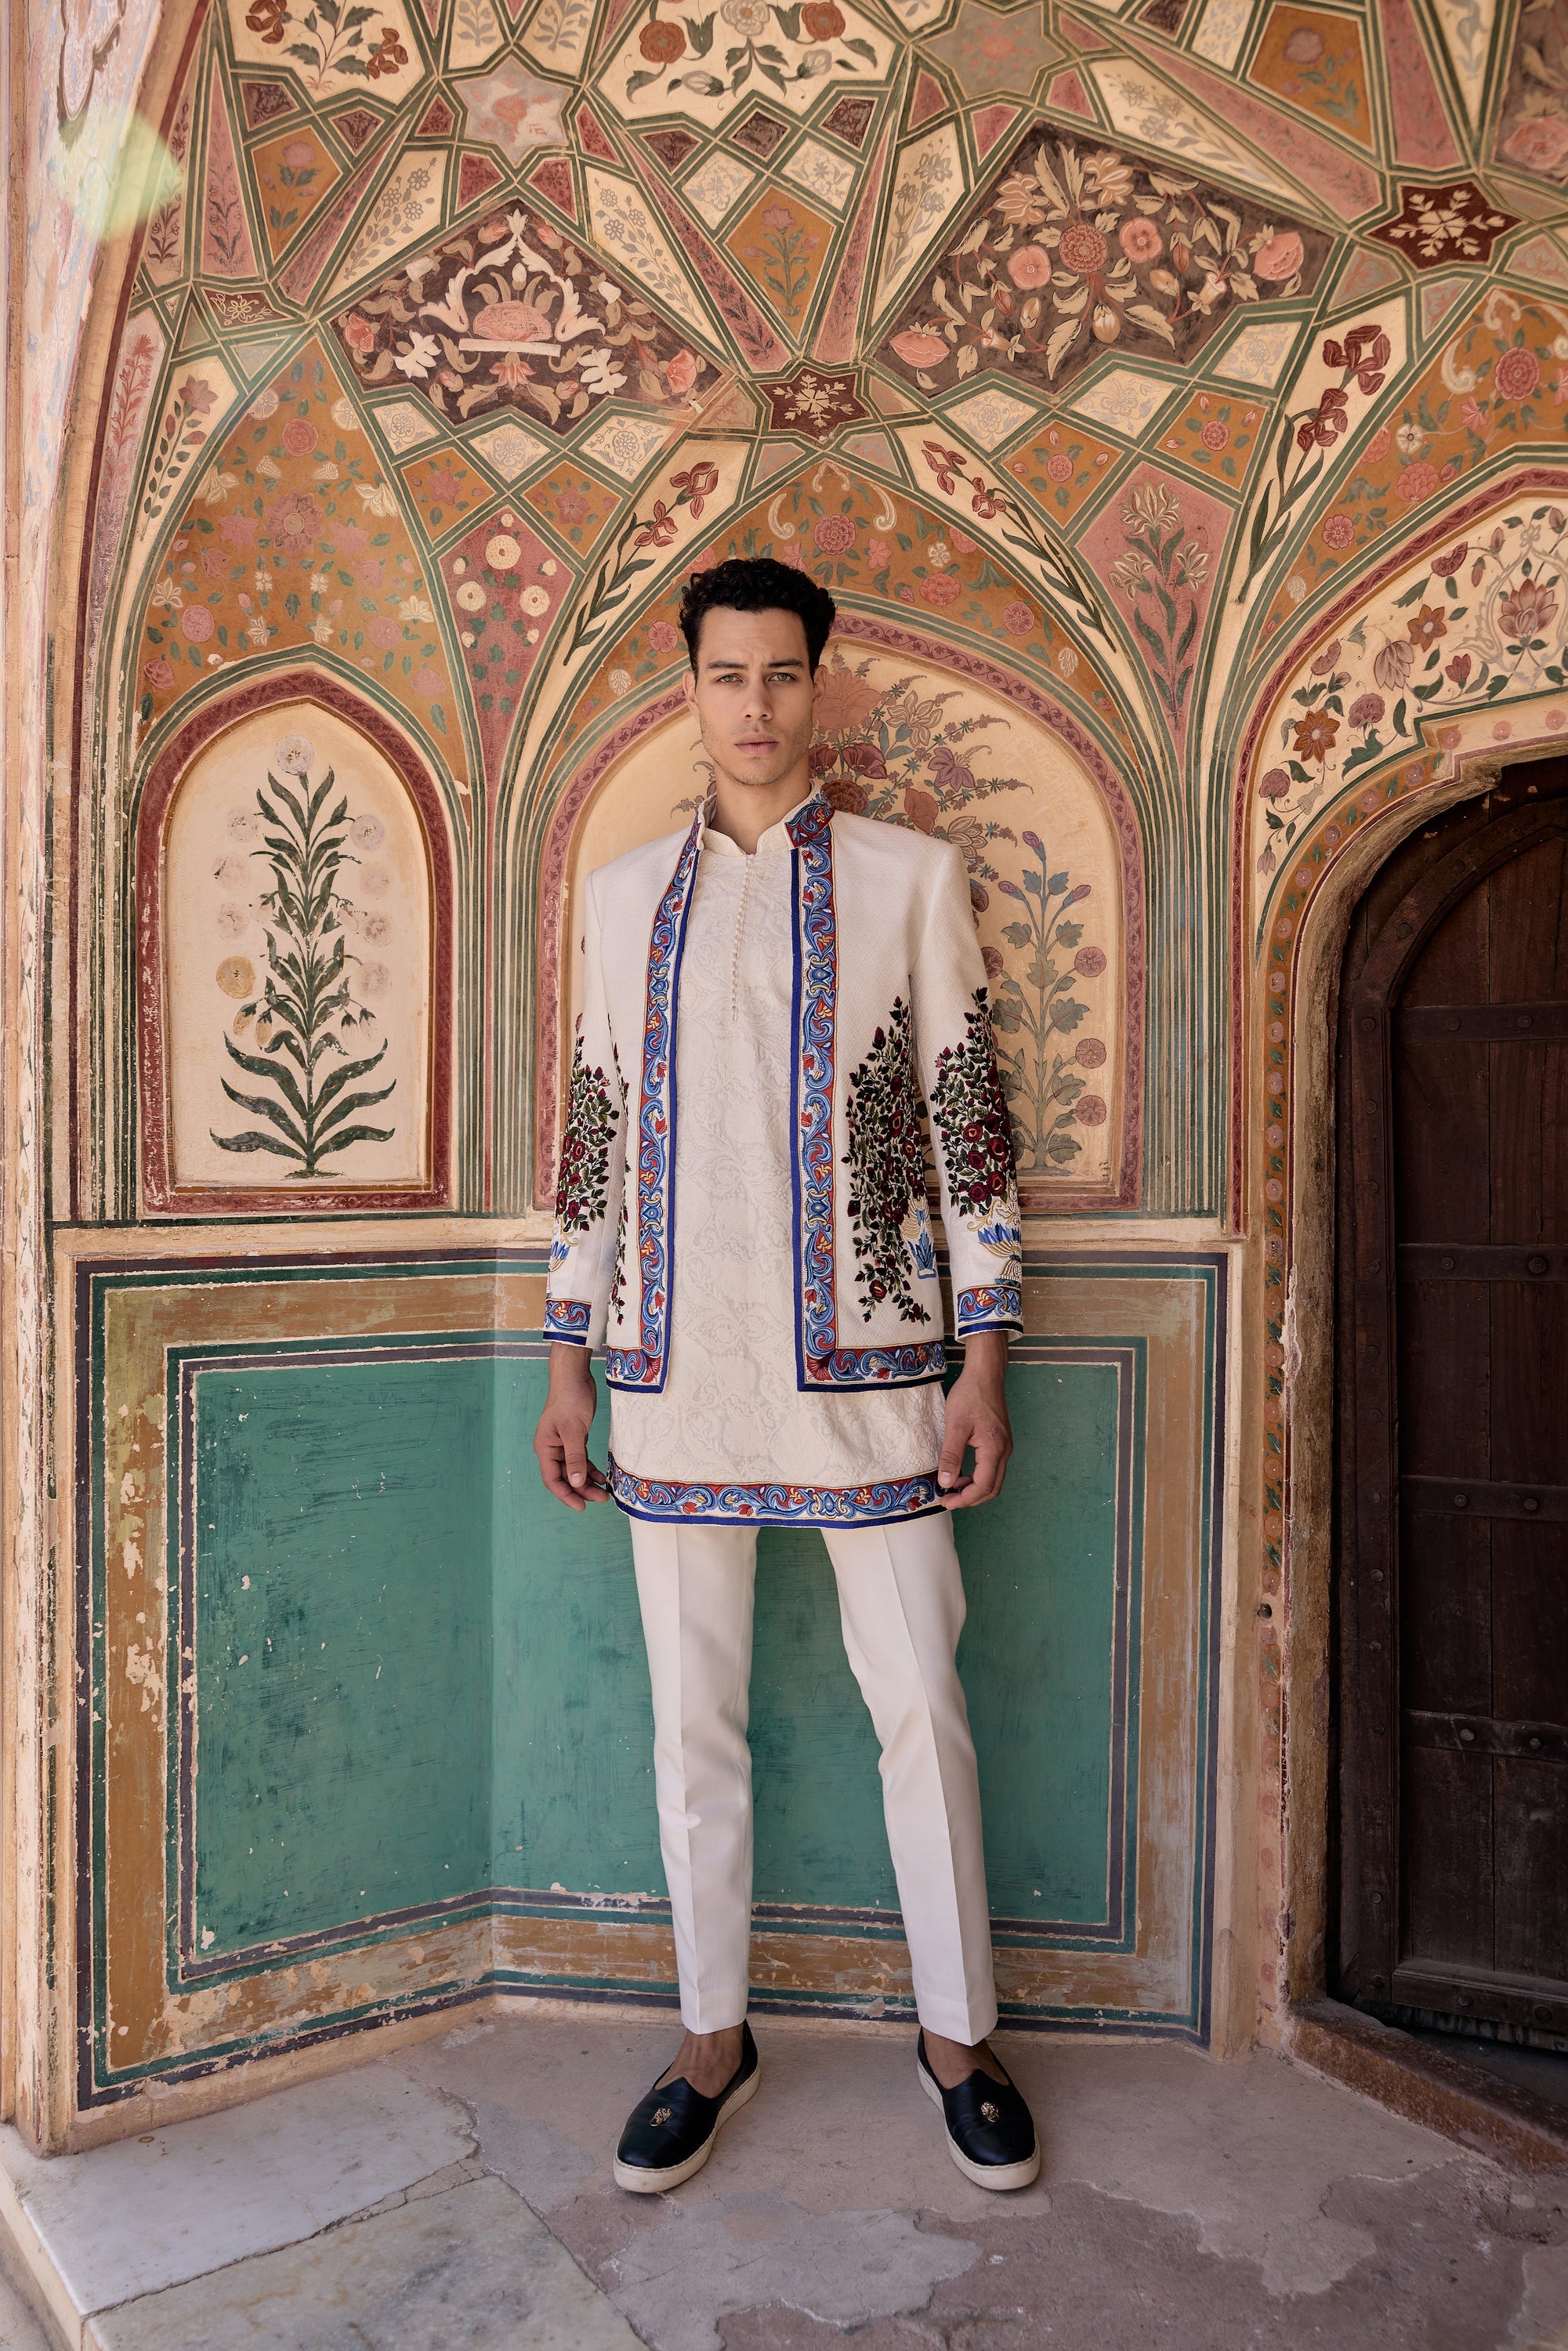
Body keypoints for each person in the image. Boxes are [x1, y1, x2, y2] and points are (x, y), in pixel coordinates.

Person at [534, 556, 1038, 2194]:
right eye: (723, 674)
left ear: (818, 685)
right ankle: (710, 2038)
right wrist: (568, 1356)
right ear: (685, 688)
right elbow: (595, 1128)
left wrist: (981, 1357)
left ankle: (957, 2038)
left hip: (875, 1375)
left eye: (779, 674)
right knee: (692, 1725)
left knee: (921, 1710)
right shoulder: (622, 898)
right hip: (672, 1376)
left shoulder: (905, 879)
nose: (752, 705)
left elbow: (965, 1119)